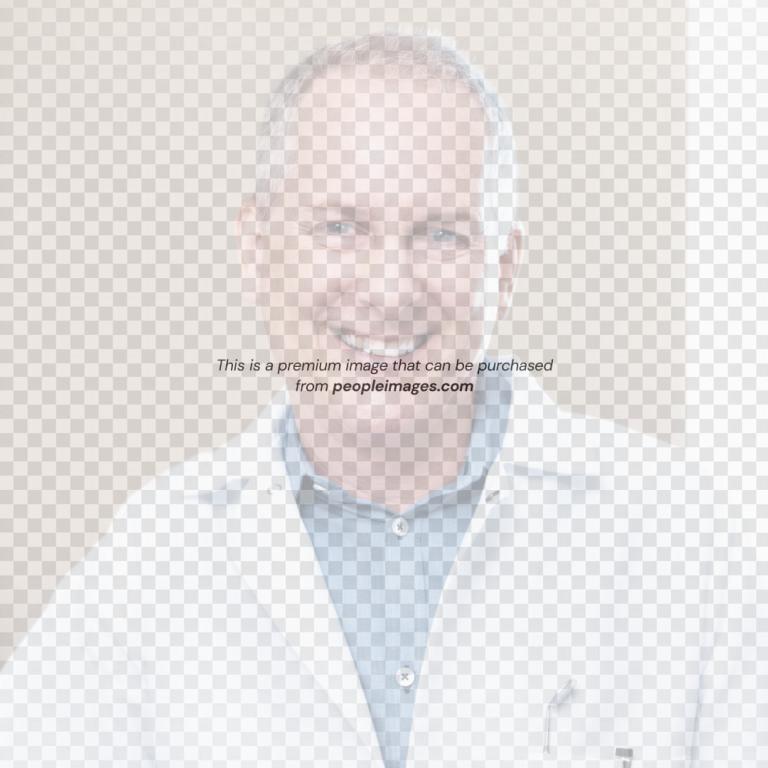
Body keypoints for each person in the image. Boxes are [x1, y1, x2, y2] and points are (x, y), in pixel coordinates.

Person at [1, 33, 761, 768]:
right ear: (257, 250)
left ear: (503, 269)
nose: (390, 289)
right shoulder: (155, 560)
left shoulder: (680, 537)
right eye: (341, 228)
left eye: (441, 235)